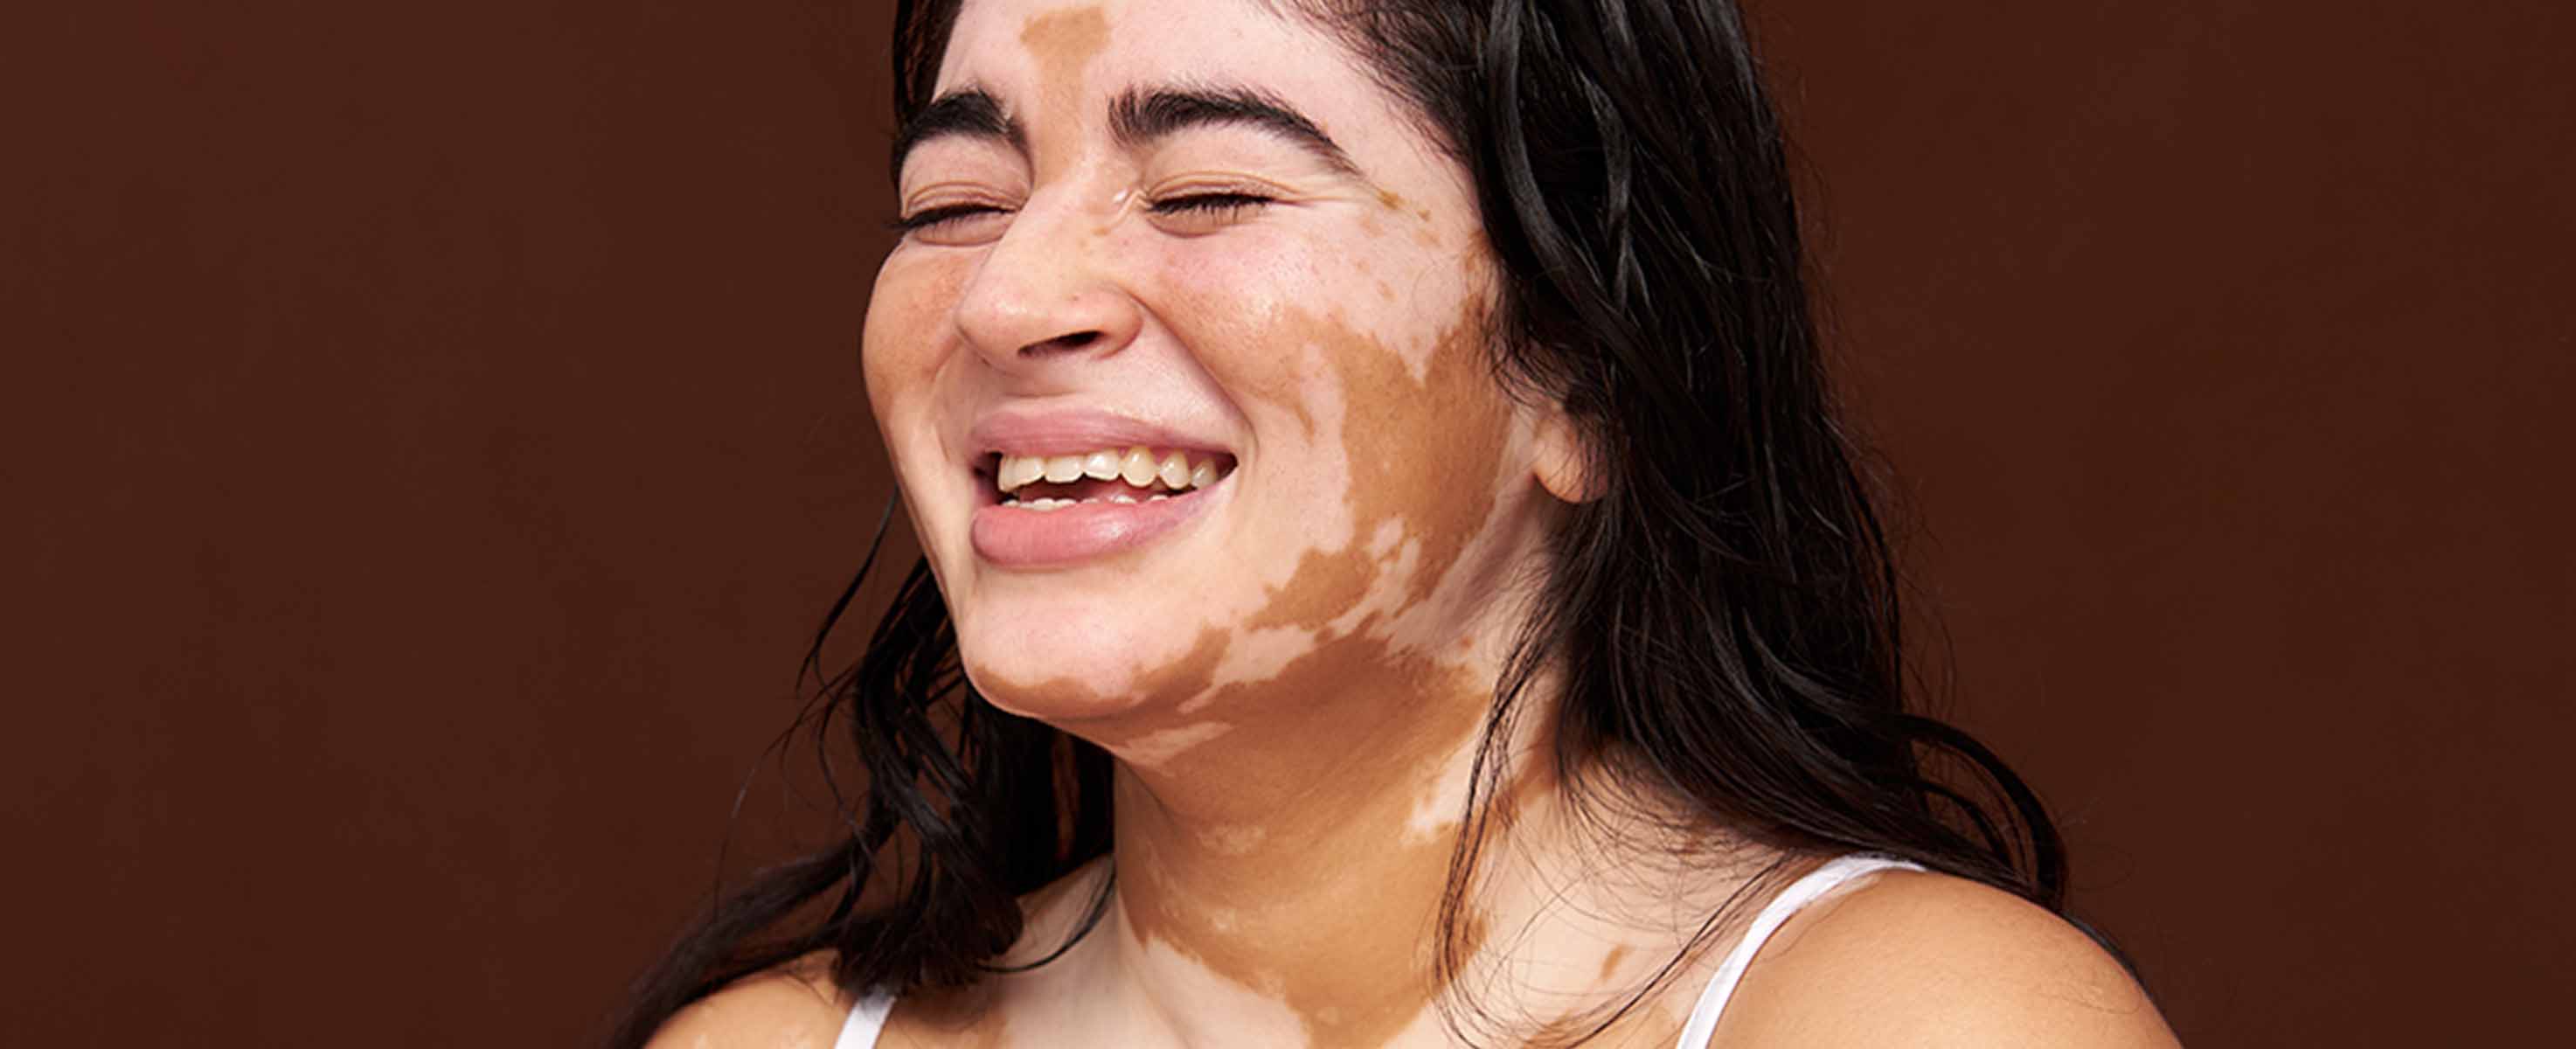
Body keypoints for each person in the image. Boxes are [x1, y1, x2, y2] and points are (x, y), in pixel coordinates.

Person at [618, 0, 2180, 1045]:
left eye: (1209, 190)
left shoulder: (1909, 1025)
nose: (1009, 294)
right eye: (953, 204)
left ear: (1582, 371)